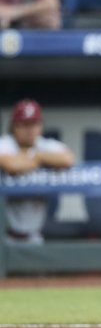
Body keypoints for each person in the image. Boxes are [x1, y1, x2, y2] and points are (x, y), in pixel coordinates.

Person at [0, 99, 75, 244]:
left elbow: (68, 159)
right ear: (13, 126)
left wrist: (36, 156)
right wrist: (39, 159)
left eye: (34, 124)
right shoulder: (5, 143)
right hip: (4, 237)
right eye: (24, 124)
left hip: (35, 237)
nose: (30, 130)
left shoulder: (44, 145)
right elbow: (12, 165)